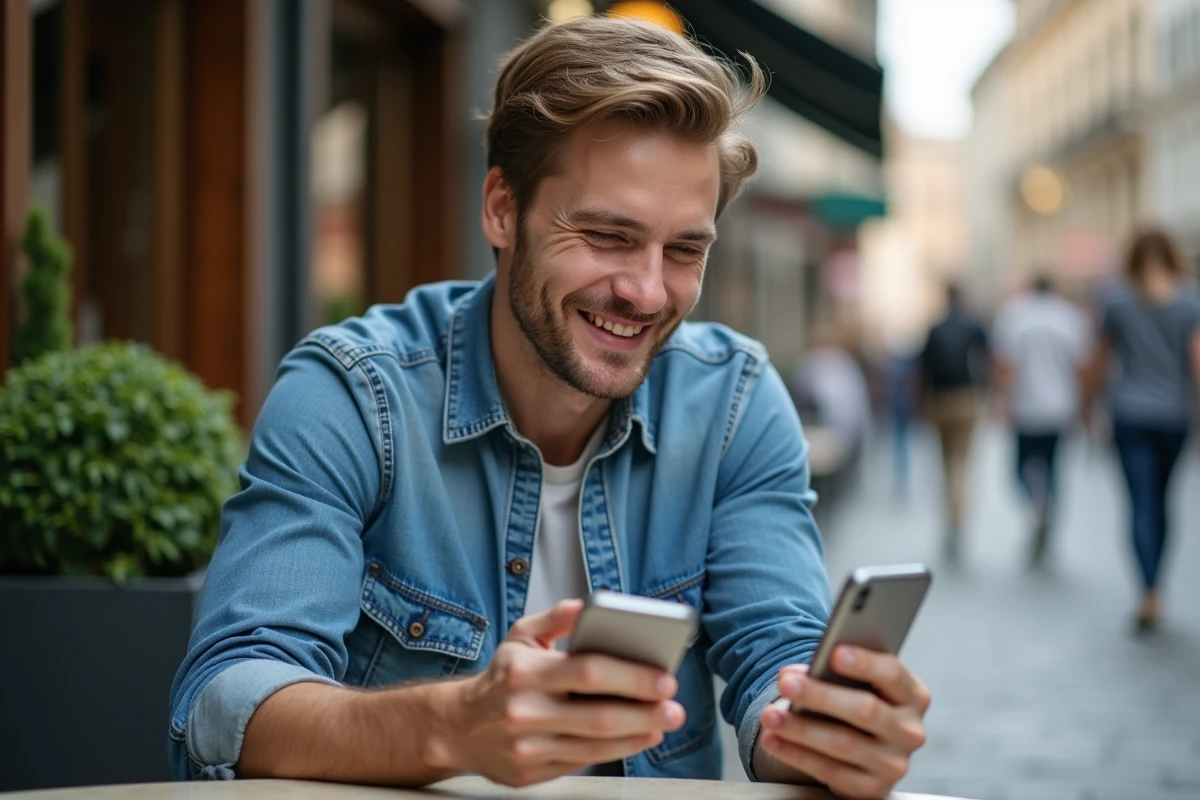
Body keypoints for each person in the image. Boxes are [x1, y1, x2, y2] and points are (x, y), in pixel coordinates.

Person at [167, 16, 930, 795]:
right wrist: (455, 726)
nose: (645, 290)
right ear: (502, 208)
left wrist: (823, 730)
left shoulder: (734, 403)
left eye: (684, 251)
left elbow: (778, 654)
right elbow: (229, 702)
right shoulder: (354, 395)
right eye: (606, 235)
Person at [1084, 229, 1200, 632]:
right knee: (1163, 502)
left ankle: (1148, 588)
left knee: (1140, 503)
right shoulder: (1190, 302)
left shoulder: (1116, 302)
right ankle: (1156, 586)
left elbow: (1100, 361)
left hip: (1130, 414)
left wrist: (1086, 406)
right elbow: (1197, 363)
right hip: (1174, 416)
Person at [992, 274, 1090, 566]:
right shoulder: (1069, 318)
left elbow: (1005, 366)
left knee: (1019, 470)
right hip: (1060, 408)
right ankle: (1046, 511)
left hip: (1026, 409)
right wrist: (1085, 406)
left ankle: (1037, 507)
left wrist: (1002, 402)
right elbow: (1081, 366)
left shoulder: (1014, 315)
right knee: (1054, 470)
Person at [919, 283, 990, 559]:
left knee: (945, 463)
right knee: (962, 463)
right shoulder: (974, 327)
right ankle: (957, 519)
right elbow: (986, 361)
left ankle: (949, 519)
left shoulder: (935, 329)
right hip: (966, 398)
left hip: (939, 399)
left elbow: (922, 371)